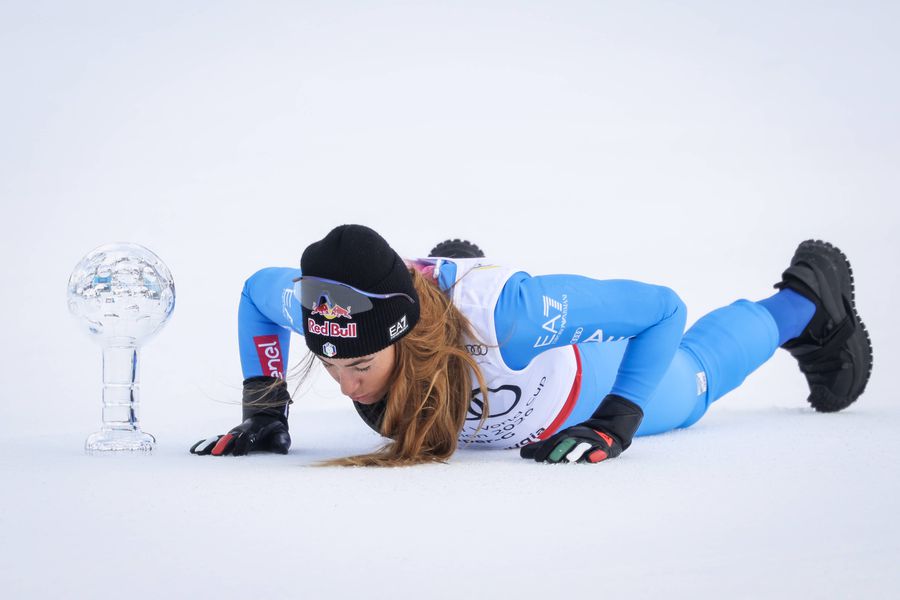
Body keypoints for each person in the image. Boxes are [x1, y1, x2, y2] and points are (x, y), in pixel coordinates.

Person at [190, 225, 873, 466]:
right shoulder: (320, 307)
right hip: (454, 344)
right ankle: (447, 286)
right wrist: (265, 411)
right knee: (438, 354)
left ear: (399, 335)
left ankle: (808, 302)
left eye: (360, 364)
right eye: (330, 362)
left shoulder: (511, 316)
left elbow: (663, 310)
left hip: (575, 381)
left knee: (694, 376)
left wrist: (616, 419)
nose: (344, 385)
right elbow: (257, 292)